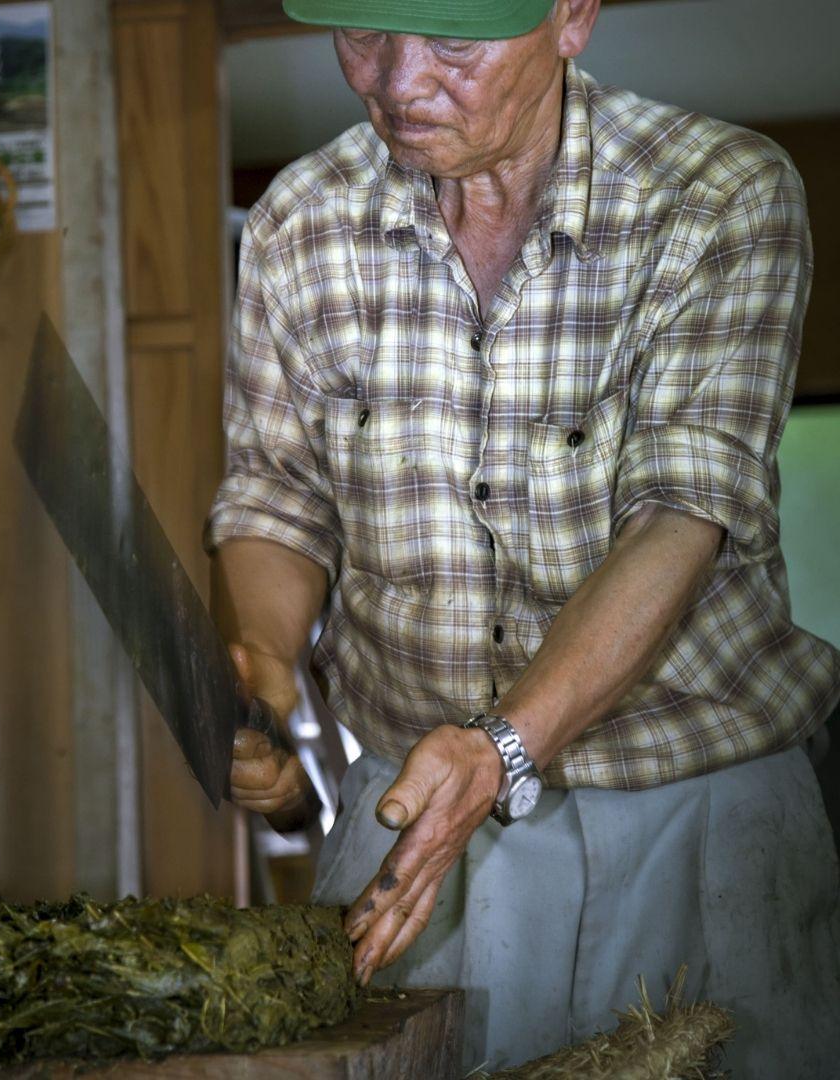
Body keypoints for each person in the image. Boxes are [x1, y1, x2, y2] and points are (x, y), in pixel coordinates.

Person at [204, 0, 840, 1074]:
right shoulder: (298, 224)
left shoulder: (719, 196)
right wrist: (264, 673)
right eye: (361, 33)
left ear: (571, 16)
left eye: (452, 41)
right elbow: (278, 499)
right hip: (413, 817)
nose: (398, 84)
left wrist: (503, 750)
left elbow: (679, 520)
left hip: (696, 815)